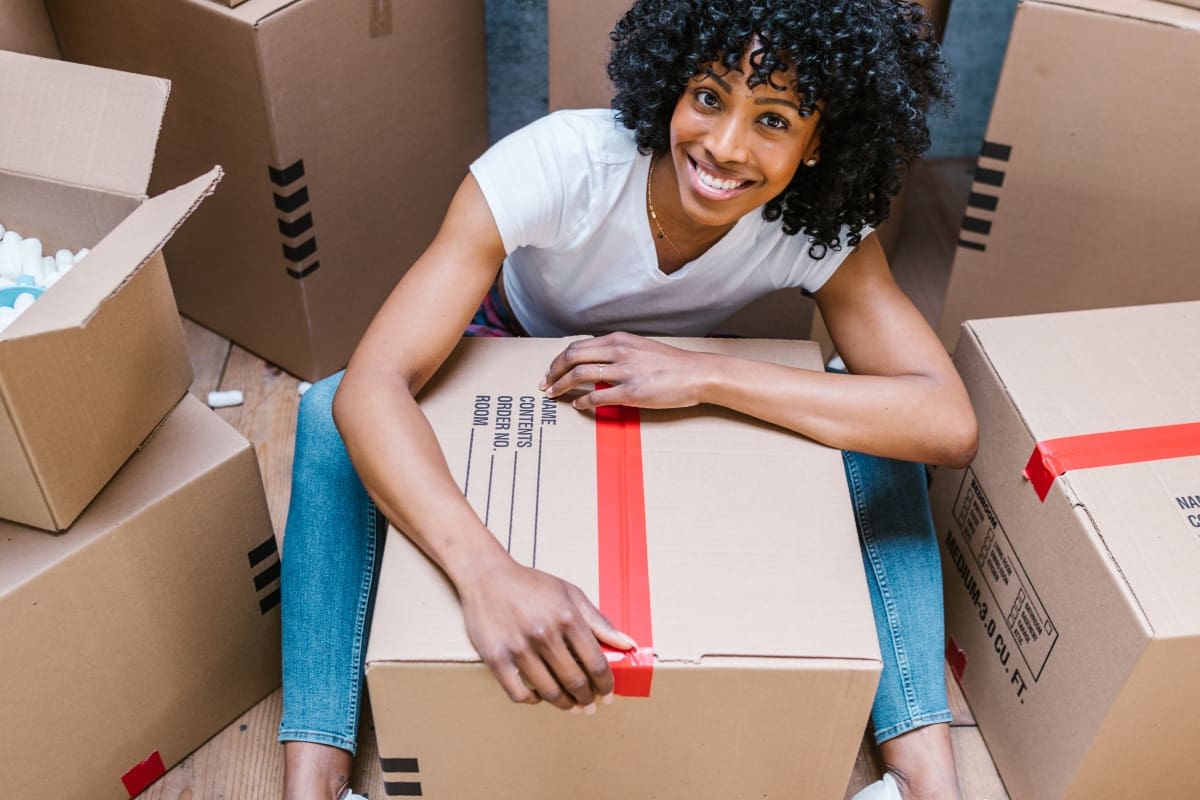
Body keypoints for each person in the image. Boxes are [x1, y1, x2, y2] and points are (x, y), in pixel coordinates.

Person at [277, 1, 976, 798]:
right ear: (673, 84)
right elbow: (372, 384)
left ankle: (926, 779)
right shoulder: (558, 164)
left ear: (819, 144)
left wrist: (703, 374)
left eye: (774, 120)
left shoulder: (817, 226)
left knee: (877, 427)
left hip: (672, 388)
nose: (725, 146)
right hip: (515, 360)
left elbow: (946, 422)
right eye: (710, 97)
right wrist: (487, 577)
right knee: (329, 411)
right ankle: (314, 778)